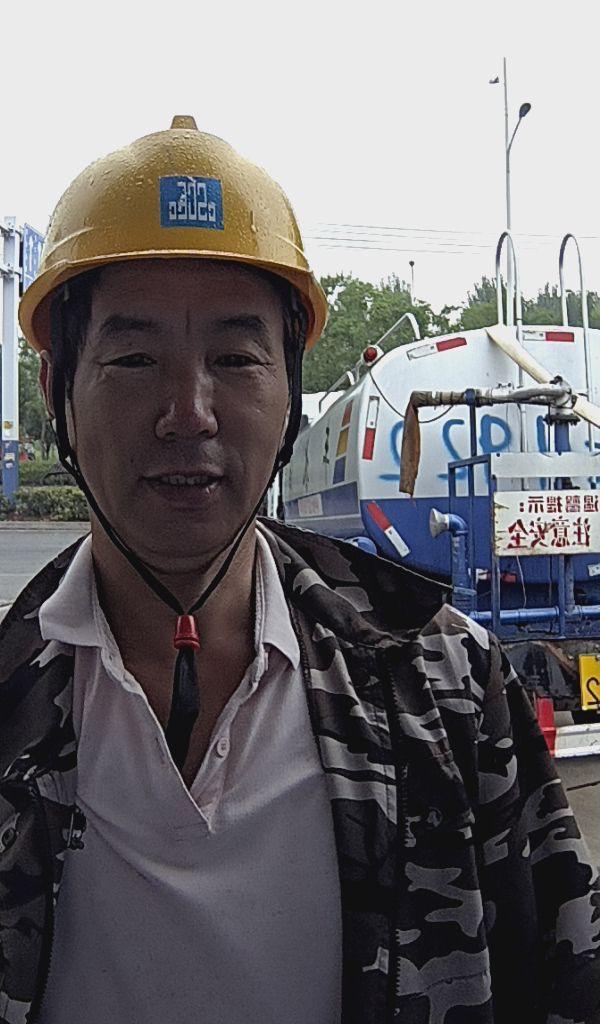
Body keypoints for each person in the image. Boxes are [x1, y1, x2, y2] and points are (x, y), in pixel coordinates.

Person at [0, 116, 598, 1024]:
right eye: (134, 358)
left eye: (236, 358)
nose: (189, 412)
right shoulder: (11, 701)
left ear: (289, 396)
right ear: (58, 396)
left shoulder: (448, 690)